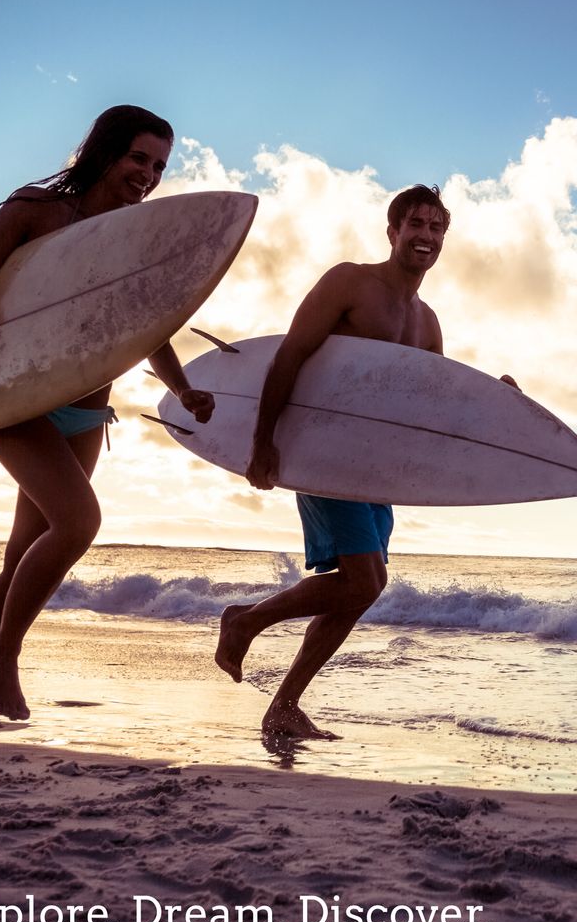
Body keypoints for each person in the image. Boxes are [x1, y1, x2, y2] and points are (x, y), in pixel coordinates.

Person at [0, 105, 214, 727]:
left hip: (88, 415)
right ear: (104, 151)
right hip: (16, 404)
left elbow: (144, 329)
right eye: (138, 158)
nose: (147, 175)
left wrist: (185, 387)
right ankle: (2, 658)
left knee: (22, 560)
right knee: (77, 523)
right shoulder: (34, 213)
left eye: (159, 166)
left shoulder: (134, 237)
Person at [215, 185, 517, 739]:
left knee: (362, 588)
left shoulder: (427, 324)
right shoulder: (350, 282)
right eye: (415, 224)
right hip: (325, 452)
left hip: (375, 470)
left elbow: (433, 408)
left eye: (435, 228)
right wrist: (263, 443)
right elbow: (288, 358)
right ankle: (245, 619)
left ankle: (283, 705)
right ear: (392, 230)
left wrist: (494, 405)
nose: (425, 235)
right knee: (364, 580)